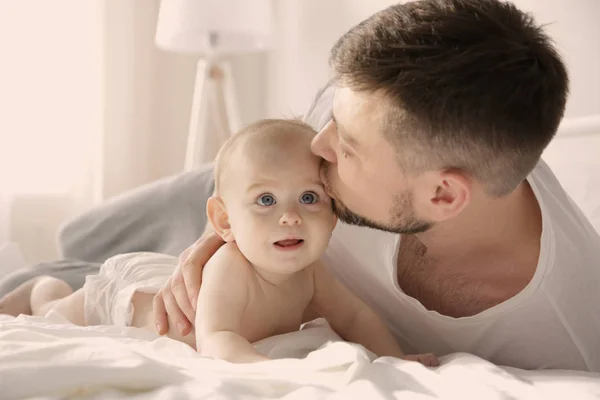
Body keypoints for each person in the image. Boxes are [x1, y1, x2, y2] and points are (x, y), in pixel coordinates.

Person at [152, 0, 600, 372]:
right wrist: (220, 234)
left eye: (346, 145)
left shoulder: (562, 342)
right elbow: (258, 169)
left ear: (442, 195)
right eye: (332, 119)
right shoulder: (375, 105)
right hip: (223, 208)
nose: (318, 143)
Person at [0, 119, 438, 366]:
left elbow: (356, 316)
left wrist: (395, 359)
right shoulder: (233, 267)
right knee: (57, 317)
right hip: (127, 297)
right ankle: (44, 289)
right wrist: (274, 376)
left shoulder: (313, 274)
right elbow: (218, 340)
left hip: (155, 285)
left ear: (334, 211)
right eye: (265, 200)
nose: (290, 216)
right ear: (224, 220)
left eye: (309, 198)